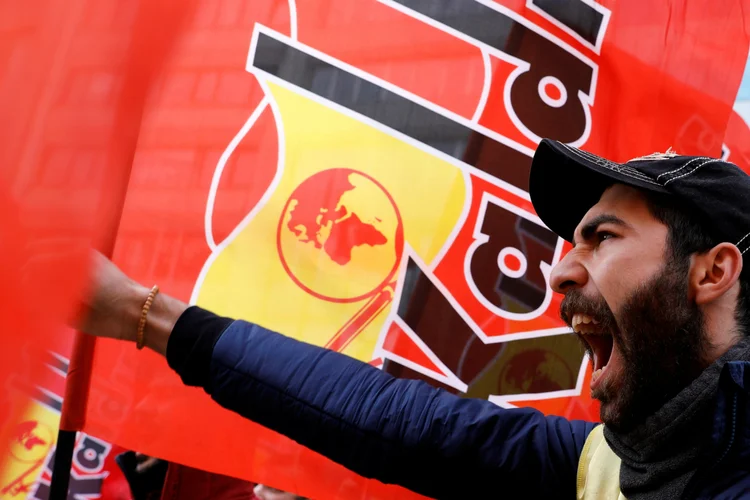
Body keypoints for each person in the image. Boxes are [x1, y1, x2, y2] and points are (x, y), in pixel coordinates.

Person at [76, 139, 750, 499]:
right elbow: (398, 422)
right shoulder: (603, 464)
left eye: (602, 239)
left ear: (712, 272)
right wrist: (148, 315)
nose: (560, 273)